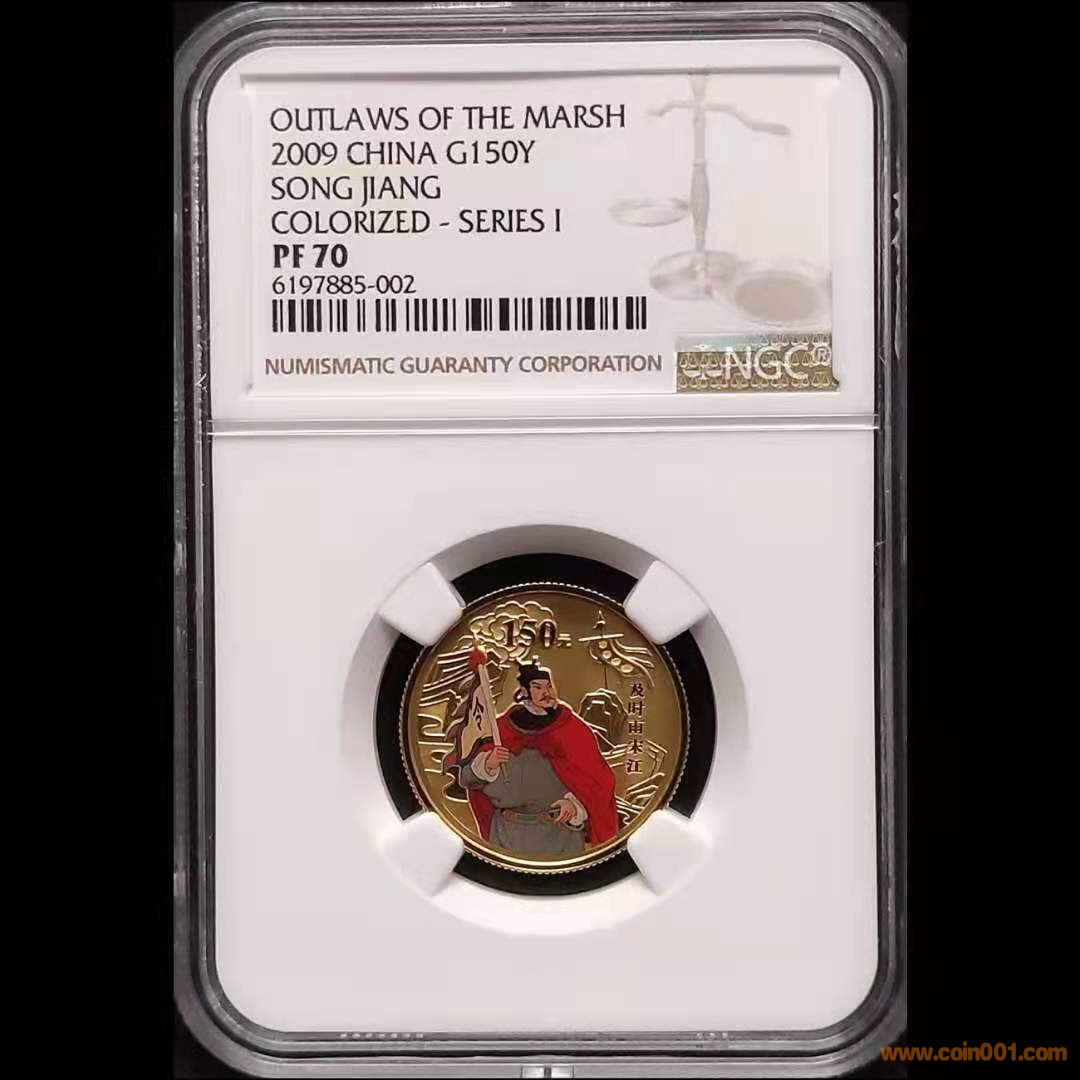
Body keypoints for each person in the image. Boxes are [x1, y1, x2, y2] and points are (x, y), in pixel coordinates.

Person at [453, 659, 618, 859]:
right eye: (538, 687)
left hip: (560, 835)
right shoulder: (501, 729)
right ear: (524, 691)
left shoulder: (572, 729)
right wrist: (487, 763)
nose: (546, 692)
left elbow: (598, 781)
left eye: (549, 686)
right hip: (507, 835)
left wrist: (576, 805)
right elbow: (467, 779)